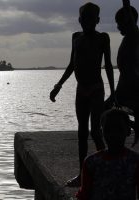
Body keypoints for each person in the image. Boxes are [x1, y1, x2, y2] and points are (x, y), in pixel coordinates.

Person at [49, 3, 115, 186]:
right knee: (81, 132)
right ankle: (82, 175)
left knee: (95, 131)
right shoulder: (76, 37)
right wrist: (58, 85)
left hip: (96, 88)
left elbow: (108, 65)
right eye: (84, 18)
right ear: (79, 20)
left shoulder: (103, 38)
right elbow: (72, 64)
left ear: (98, 20)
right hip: (81, 89)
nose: (87, 22)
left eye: (91, 19)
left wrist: (113, 92)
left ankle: (108, 170)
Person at [76, 108, 139, 200]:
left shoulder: (136, 162)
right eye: (108, 130)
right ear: (102, 132)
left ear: (128, 131)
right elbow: (84, 194)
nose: (113, 134)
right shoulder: (90, 163)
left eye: (119, 129)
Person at [115, 0, 139, 147]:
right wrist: (115, 94)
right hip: (124, 90)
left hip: (133, 90)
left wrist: (125, 3)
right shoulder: (127, 40)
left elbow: (129, 16)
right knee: (106, 113)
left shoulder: (134, 36)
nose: (117, 26)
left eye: (119, 23)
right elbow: (123, 72)